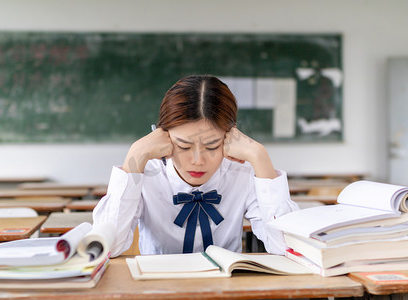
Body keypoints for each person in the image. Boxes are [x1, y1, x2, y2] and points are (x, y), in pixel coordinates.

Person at [93, 75, 299, 257]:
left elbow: (286, 247)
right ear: (162, 137)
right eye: (183, 146)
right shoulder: (145, 173)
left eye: (212, 146)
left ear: (231, 138)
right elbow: (108, 246)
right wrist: (136, 154)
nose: (197, 160)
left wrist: (259, 156)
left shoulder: (242, 173)